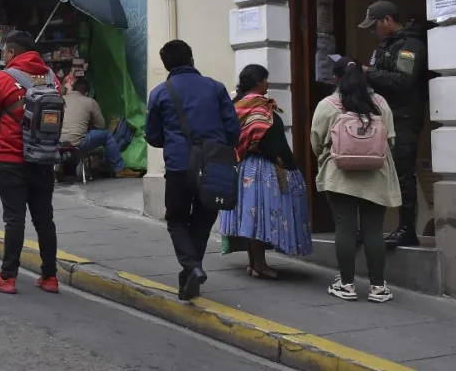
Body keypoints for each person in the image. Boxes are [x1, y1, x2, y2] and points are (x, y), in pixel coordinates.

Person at [146, 40, 240, 301]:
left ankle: (191, 269)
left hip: (178, 166)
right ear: (192, 59)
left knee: (176, 219)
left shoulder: (160, 93)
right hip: (213, 164)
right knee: (202, 220)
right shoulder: (216, 88)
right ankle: (191, 271)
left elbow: (152, 136)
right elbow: (233, 130)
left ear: (166, 65)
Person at [311, 57, 401, 303]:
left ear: (336, 79)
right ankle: (378, 288)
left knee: (345, 228)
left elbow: (316, 142)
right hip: (377, 175)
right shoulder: (380, 103)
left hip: (340, 175)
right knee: (374, 229)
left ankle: (347, 284)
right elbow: (390, 138)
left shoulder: (328, 104)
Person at [0, 31, 60, 295]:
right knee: (44, 219)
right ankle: (50, 277)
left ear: (11, 53)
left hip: (11, 158)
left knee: (14, 219)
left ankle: (8, 276)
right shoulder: (51, 78)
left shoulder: (3, 79)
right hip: (44, 160)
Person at [219, 65, 312, 279]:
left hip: (244, 167)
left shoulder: (237, 105)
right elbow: (263, 136)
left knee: (252, 217)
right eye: (265, 80)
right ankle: (259, 264)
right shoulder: (259, 108)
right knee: (260, 216)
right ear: (258, 82)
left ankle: (254, 264)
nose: (268, 84)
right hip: (261, 168)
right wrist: (280, 159)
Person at [358, 1, 428, 248]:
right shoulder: (385, 45)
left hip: (404, 119)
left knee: (402, 173)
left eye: (374, 26)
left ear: (387, 20)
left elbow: (403, 81)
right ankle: (369, 228)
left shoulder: (411, 45)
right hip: (383, 116)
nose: (372, 32)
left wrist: (368, 72)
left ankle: (407, 228)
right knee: (376, 170)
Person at [59, 77, 134, 177]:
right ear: (86, 92)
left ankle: (59, 166)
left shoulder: (62, 99)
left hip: (58, 141)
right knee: (106, 136)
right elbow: (101, 125)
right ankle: (119, 169)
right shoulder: (90, 101)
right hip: (78, 142)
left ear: (73, 89)